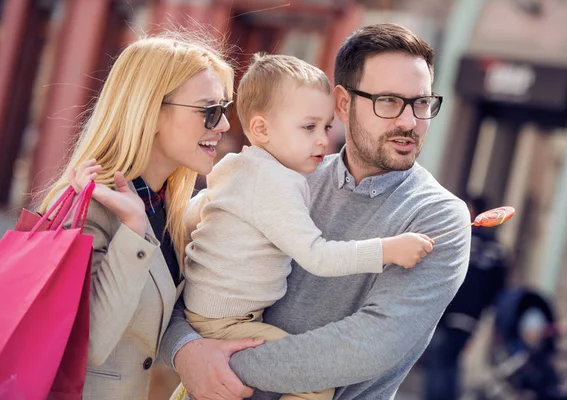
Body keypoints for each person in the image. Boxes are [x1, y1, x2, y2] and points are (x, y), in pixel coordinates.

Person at [160, 23, 472, 400]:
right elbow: (179, 271)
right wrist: (184, 350)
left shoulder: (439, 217)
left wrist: (215, 366)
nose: (409, 121)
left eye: (421, 102)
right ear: (343, 103)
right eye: (389, 101)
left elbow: (370, 344)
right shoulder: (282, 176)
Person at [39, 32, 263, 399]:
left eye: (224, 110)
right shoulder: (88, 207)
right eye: (209, 111)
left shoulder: (168, 206)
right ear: (151, 112)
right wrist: (132, 228)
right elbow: (90, 344)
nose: (223, 125)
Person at [422, 195, 508, 400]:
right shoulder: (498, 250)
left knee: (439, 361)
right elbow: (497, 290)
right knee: (450, 361)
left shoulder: (460, 239)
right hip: (471, 316)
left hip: (447, 309)